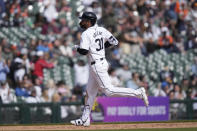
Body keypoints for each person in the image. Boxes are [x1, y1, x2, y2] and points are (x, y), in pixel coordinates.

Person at [70, 12, 149, 127]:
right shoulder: (102, 30)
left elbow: (84, 51)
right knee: (90, 93)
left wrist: (77, 48)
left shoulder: (86, 34)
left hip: (97, 65)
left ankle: (138, 93)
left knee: (109, 91)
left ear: (88, 21)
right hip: (100, 62)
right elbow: (114, 41)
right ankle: (85, 119)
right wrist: (100, 47)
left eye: (83, 20)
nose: (81, 22)